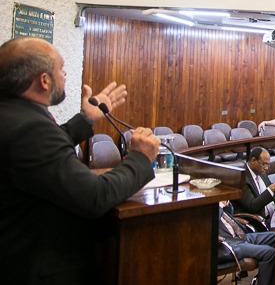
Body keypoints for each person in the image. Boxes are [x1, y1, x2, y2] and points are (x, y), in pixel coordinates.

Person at [0, 37, 160, 283]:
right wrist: (140, 158)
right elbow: (95, 196)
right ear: (44, 81)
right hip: (40, 267)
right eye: (60, 68)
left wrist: (86, 119)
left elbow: (40, 156)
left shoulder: (12, 115)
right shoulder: (31, 129)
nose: (65, 74)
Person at [218, 201, 275, 285]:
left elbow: (229, 213)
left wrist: (226, 204)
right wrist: (220, 205)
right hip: (228, 244)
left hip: (240, 236)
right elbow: (211, 220)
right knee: (269, 252)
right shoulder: (201, 205)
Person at [233, 147, 275, 220]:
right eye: (264, 164)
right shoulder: (242, 178)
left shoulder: (261, 173)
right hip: (259, 221)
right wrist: (271, 188)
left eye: (267, 165)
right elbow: (252, 206)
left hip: (274, 215)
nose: (266, 168)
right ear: (253, 160)